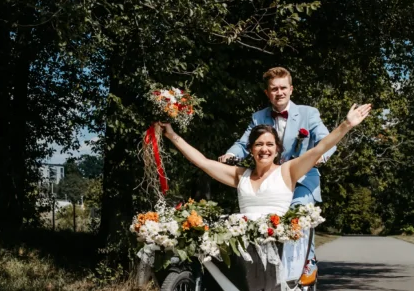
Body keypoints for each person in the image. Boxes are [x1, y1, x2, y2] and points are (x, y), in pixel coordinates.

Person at [158, 101, 372, 241]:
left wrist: (346, 124)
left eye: (270, 145)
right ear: (251, 149)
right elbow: (203, 162)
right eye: (259, 144)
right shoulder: (239, 175)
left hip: (276, 240)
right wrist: (172, 135)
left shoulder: (288, 171)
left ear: (277, 149)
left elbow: (320, 148)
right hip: (242, 240)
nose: (264, 149)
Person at [218, 67, 333, 273]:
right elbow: (244, 143)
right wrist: (230, 155)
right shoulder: (258, 117)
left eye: (283, 88)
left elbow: (326, 140)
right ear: (267, 93)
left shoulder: (308, 113)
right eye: (273, 89)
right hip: (270, 181)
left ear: (291, 89)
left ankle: (307, 262)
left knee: (299, 213)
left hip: (301, 179)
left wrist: (321, 156)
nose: (279, 93)